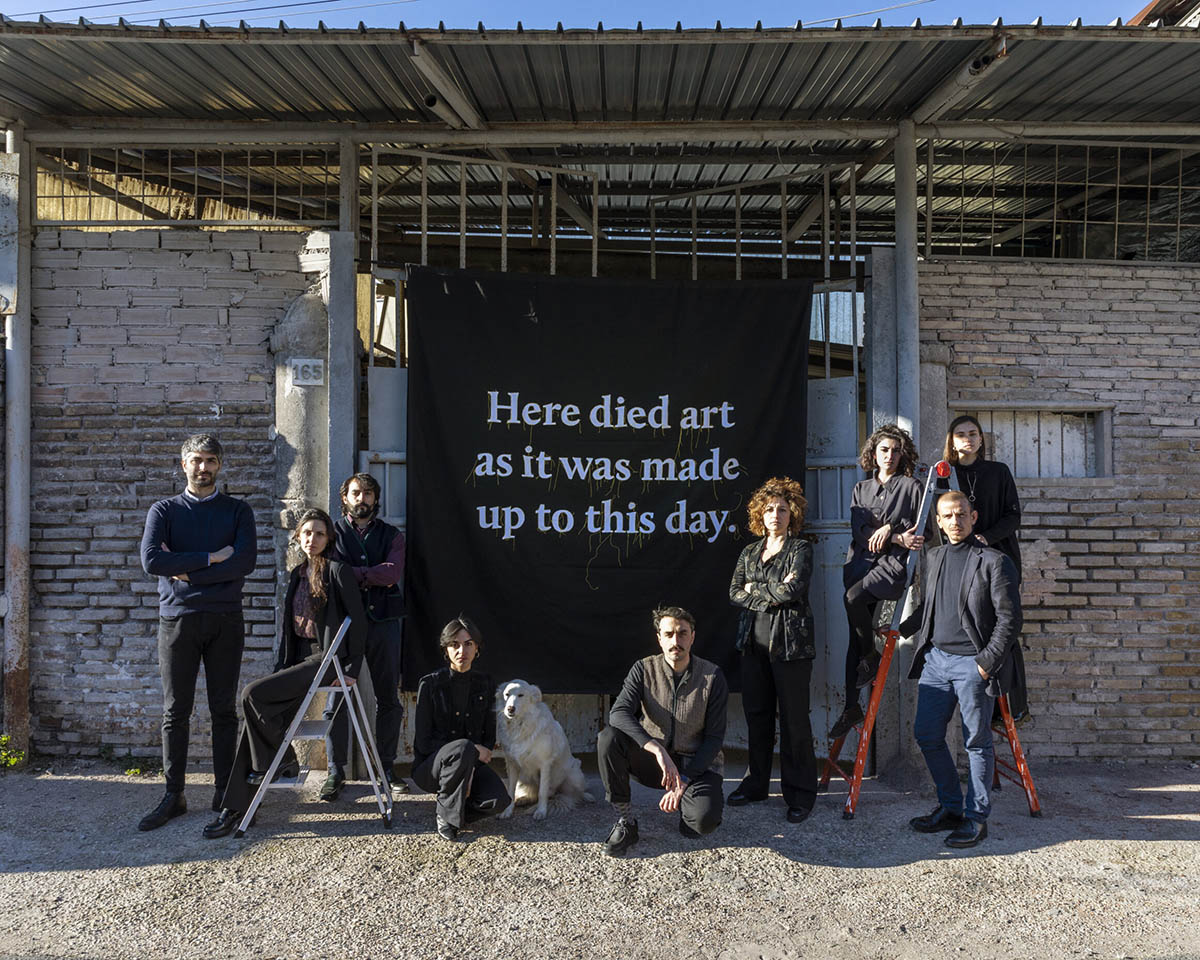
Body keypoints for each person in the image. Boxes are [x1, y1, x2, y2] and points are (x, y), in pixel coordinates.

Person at [203, 508, 366, 838]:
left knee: (252, 694)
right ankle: (236, 807)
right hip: (297, 662)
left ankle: (278, 765)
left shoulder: (338, 571)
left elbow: (359, 623)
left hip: (325, 660)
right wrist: (281, 667)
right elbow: (288, 630)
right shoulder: (297, 574)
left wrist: (351, 670)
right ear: (298, 537)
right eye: (306, 533)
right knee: (256, 721)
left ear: (328, 538)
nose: (312, 539)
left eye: (319, 533)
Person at [137, 434, 257, 832]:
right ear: (183, 463)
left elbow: (244, 562)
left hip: (225, 619)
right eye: (195, 460)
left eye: (209, 460)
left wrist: (185, 570)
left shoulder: (238, 511)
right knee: (176, 711)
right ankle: (174, 794)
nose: (202, 467)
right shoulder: (164, 510)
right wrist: (210, 557)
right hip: (178, 619)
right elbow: (152, 559)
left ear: (220, 465)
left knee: (224, 709)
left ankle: (225, 794)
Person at [902, 490, 1021, 849]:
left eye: (961, 515)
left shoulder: (993, 562)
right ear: (937, 522)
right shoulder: (935, 556)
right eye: (947, 516)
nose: (955, 521)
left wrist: (985, 664)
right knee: (926, 735)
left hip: (973, 664)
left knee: (976, 743)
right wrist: (903, 628)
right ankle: (951, 808)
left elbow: (1010, 619)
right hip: (936, 662)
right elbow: (931, 605)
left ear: (973, 516)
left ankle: (976, 818)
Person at [597, 606, 728, 857]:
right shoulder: (644, 669)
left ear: (692, 636)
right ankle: (625, 822)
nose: (675, 641)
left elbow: (713, 739)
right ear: (659, 638)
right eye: (668, 634)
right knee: (608, 738)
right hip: (654, 762)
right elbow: (619, 712)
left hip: (695, 763)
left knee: (702, 824)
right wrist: (654, 748)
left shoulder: (712, 676)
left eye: (682, 633)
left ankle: (688, 807)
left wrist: (685, 780)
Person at [727, 476, 818, 824]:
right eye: (769, 509)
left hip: (791, 647)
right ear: (759, 515)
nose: (775, 515)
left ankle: (800, 794)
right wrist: (769, 588)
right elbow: (734, 591)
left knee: (795, 722)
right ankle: (757, 784)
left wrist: (757, 589)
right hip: (753, 645)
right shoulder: (750, 552)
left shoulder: (801, 549)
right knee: (758, 717)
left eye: (782, 509)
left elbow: (791, 591)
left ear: (791, 513)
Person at [829, 424, 924, 739]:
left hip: (891, 566)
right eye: (884, 450)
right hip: (859, 564)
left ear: (902, 454)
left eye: (896, 451)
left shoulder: (911, 486)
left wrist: (891, 529)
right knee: (854, 641)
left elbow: (918, 528)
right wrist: (893, 534)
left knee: (852, 599)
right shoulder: (860, 489)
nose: (890, 456)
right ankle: (851, 707)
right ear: (873, 453)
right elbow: (859, 532)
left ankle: (871, 656)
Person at [937, 414, 1028, 720]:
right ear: (951, 440)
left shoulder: (998, 471)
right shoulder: (944, 476)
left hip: (996, 559)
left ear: (981, 439)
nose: (967, 439)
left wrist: (985, 537)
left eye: (973, 433)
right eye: (960, 434)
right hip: (962, 562)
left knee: (1002, 628)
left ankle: (1011, 707)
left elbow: (1013, 516)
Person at [325, 472, 407, 802]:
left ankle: (387, 767)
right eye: (356, 493)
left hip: (384, 622)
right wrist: (369, 576)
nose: (363, 499)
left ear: (376, 498)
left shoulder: (391, 534)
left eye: (368, 493)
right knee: (336, 699)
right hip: (344, 625)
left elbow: (392, 573)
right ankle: (335, 771)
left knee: (388, 697)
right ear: (345, 497)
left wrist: (350, 575)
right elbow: (328, 571)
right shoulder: (331, 533)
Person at [411, 615, 511, 842]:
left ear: (477, 648)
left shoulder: (485, 684)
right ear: (446, 650)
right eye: (454, 645)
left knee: (499, 801)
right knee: (464, 747)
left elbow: (488, 735)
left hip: (471, 764)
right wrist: (471, 750)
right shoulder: (430, 684)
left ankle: (455, 809)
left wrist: (470, 767)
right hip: (431, 769)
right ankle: (445, 815)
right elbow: (424, 743)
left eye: (468, 644)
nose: (461, 651)